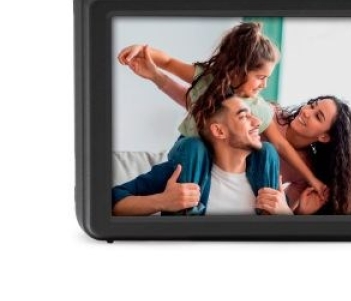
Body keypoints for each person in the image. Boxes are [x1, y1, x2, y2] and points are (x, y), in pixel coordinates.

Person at [118, 22, 328, 201]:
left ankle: (266, 213)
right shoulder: (208, 80)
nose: (264, 85)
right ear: (238, 70)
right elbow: (169, 62)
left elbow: (281, 145)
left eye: (267, 78)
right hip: (189, 156)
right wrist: (141, 50)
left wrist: (313, 180)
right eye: (260, 77)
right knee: (196, 147)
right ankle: (188, 216)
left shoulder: (258, 108)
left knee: (267, 150)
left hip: (225, 167)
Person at [124, 64, 351, 215]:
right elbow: (205, 107)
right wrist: (158, 77)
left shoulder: (299, 171)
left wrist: (298, 213)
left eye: (318, 116)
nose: (306, 111)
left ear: (325, 136)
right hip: (201, 164)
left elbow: (282, 209)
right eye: (312, 105)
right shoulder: (267, 114)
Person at [113, 95, 293, 216]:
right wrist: (162, 201)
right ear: (219, 131)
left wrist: (286, 213)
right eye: (244, 116)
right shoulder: (181, 172)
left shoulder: (266, 178)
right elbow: (113, 201)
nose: (258, 122)